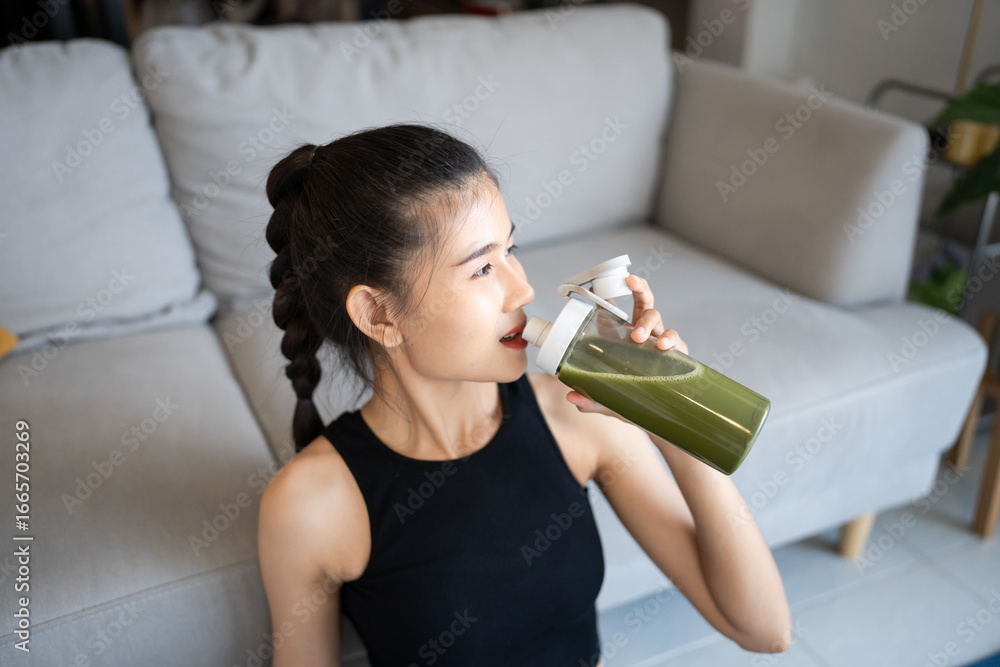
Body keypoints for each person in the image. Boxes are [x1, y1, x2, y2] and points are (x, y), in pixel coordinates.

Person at [256, 123, 791, 666]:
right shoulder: (311, 504)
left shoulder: (573, 415)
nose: (524, 289)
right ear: (380, 315)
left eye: (511, 248)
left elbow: (764, 631)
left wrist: (667, 412)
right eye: (483, 267)